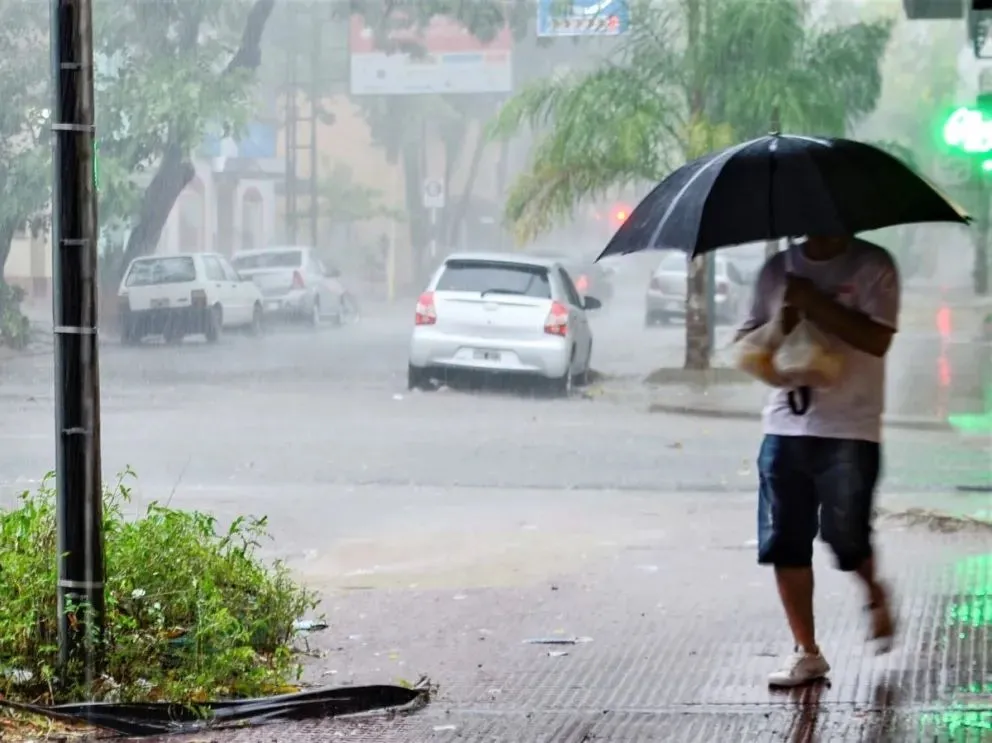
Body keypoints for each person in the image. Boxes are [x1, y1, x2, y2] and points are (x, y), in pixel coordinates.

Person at [736, 234, 900, 688]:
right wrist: (782, 320)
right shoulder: (776, 270)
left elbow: (877, 338)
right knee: (784, 539)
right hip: (785, 424)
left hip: (851, 427)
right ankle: (807, 650)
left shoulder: (874, 265)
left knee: (846, 538)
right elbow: (746, 343)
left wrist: (815, 302)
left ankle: (873, 589)